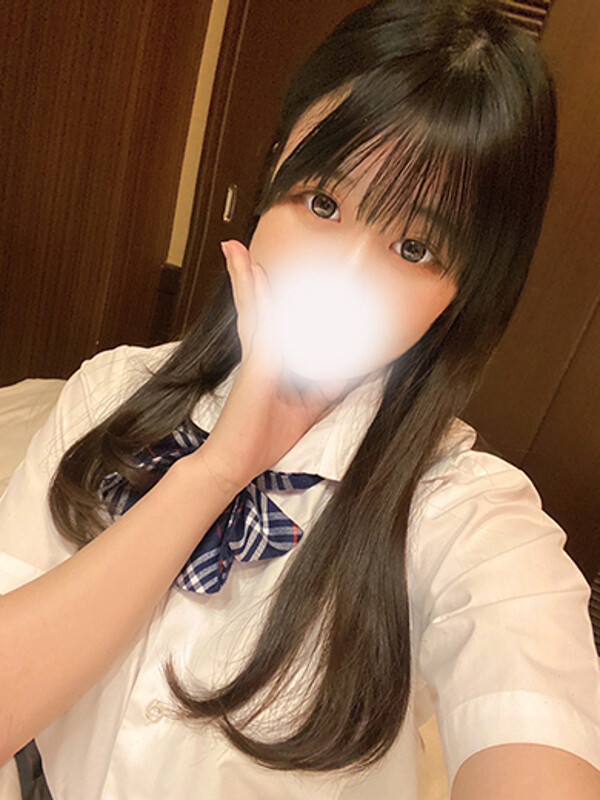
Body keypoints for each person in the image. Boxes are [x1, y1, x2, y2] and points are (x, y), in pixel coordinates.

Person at [1, 0, 599, 798]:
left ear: (466, 290)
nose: (342, 274)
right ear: (275, 165)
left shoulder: (467, 516)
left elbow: (533, 728)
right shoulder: (112, 392)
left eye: (414, 246)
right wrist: (218, 468)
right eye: (322, 203)